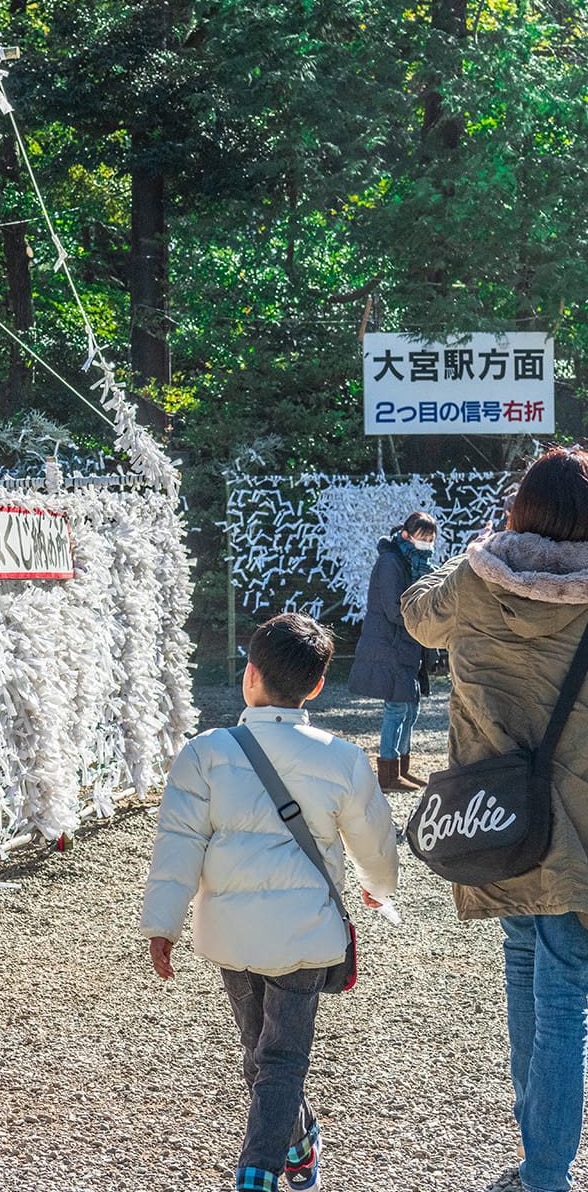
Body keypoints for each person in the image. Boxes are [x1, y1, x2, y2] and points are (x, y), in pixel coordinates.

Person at [141, 613, 399, 1192]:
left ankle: (258, 1174)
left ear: (248, 676)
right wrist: (378, 890)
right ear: (315, 687)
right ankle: (298, 1140)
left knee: (262, 1058)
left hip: (230, 934)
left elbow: (177, 844)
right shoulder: (341, 757)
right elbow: (376, 843)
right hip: (306, 935)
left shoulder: (205, 753)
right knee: (275, 1060)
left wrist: (163, 925)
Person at [403, 447, 588, 1192]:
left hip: (500, 821)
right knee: (563, 1000)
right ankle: (544, 1170)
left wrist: (474, 550)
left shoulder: (477, 580)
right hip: (579, 835)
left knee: (524, 976)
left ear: (520, 510)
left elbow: (417, 618)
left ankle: (535, 1164)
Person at [348, 510, 438, 791]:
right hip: (391, 643)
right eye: (421, 537)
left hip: (407, 644)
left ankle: (402, 768)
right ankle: (388, 773)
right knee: (396, 709)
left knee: (411, 709)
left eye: (430, 538)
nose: (425, 543)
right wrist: (426, 621)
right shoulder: (391, 562)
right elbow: (393, 608)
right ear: (406, 535)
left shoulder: (416, 564)